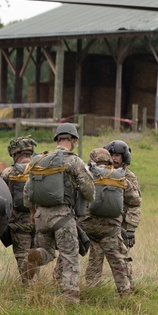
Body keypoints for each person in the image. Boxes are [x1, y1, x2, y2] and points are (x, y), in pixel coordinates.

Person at [22, 123, 94, 303]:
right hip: (63, 217)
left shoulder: (39, 160)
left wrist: (33, 212)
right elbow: (89, 190)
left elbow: (27, 192)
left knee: (47, 250)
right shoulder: (73, 161)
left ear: (57, 139)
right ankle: (70, 297)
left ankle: (37, 254)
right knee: (70, 256)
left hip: (40, 217)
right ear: (74, 140)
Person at [85, 140, 142, 291]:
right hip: (103, 222)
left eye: (118, 155)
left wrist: (130, 228)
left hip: (121, 224)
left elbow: (135, 204)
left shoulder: (127, 176)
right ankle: (93, 291)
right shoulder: (96, 174)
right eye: (112, 155)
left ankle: (129, 289)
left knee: (121, 259)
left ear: (124, 157)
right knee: (96, 258)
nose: (115, 158)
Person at [78, 148, 133, 296]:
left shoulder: (86, 174)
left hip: (87, 226)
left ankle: (91, 290)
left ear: (92, 160)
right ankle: (126, 293)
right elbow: (134, 198)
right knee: (118, 262)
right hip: (110, 229)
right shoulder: (118, 176)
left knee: (85, 257)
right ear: (109, 160)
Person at [0, 135, 38, 283]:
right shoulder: (39, 170)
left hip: (19, 223)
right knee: (34, 254)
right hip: (38, 221)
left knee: (22, 255)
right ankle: (36, 283)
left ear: (15, 154)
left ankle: (30, 285)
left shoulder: (8, 173)